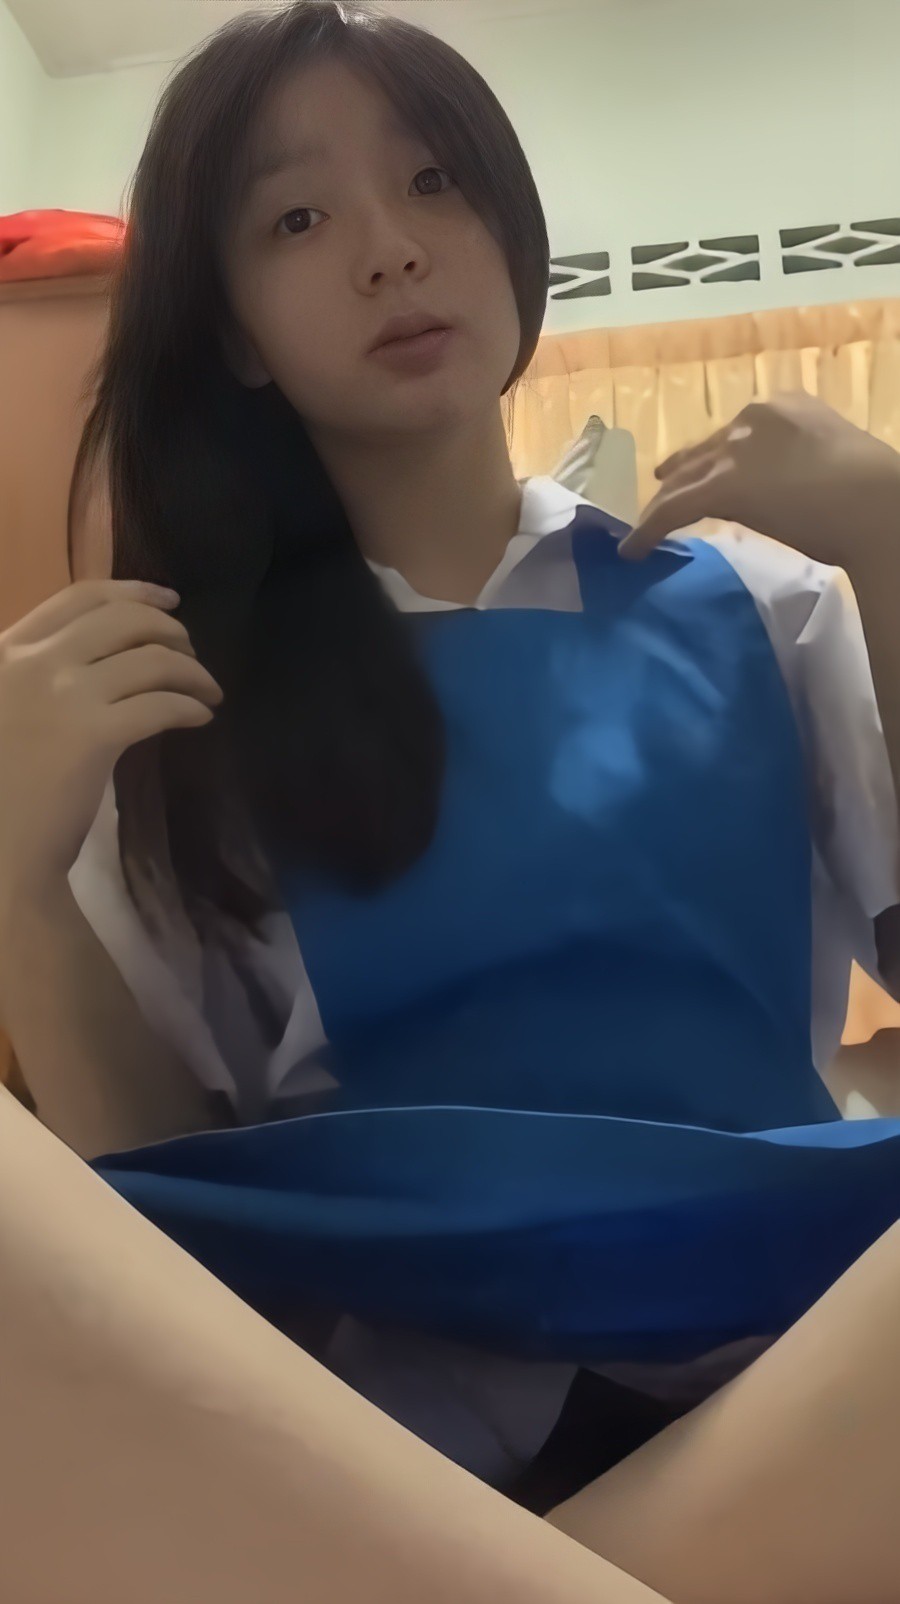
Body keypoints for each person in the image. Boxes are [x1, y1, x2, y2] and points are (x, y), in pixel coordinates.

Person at [1, 0, 900, 1582]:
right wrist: (12, 887)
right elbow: (156, 1224)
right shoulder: (171, 714)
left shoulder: (772, 610)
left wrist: (893, 550)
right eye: (297, 219)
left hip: (787, 1350)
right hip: (388, 1437)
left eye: (435, 183)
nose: (392, 251)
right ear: (233, 333)